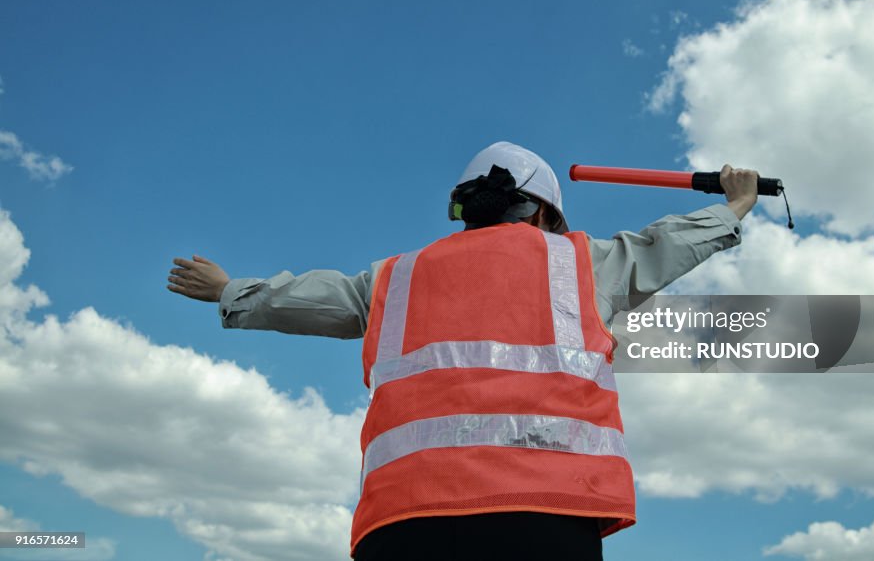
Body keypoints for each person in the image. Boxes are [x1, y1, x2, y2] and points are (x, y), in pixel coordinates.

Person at [167, 142, 759, 561]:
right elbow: (666, 244)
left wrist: (229, 290)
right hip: (545, 518)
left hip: (403, 523)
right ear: (547, 212)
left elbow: (309, 299)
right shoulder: (579, 263)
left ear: (466, 209)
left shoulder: (396, 278)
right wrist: (733, 205)